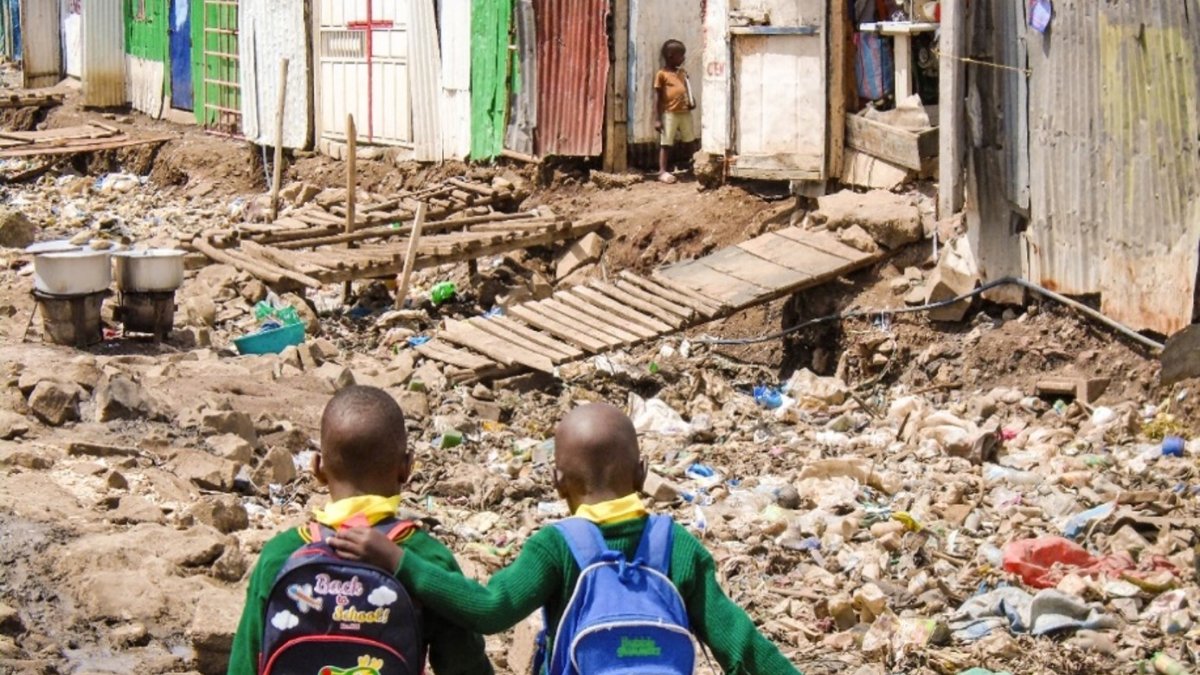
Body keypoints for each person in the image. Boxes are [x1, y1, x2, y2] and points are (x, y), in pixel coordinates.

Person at [331, 403, 800, 674]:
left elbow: (489, 610)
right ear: (642, 474)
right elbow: (741, 648)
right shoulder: (676, 546)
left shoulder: (557, 547)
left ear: (557, 483)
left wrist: (400, 561)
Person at [228, 385, 493, 675]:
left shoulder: (280, 555)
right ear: (406, 468)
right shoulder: (425, 559)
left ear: (317, 468)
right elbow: (465, 666)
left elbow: (244, 665)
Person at [654, 39, 697, 184]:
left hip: (685, 112)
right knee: (666, 143)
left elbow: (687, 89)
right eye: (681, 55)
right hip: (669, 113)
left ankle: (694, 167)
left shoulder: (682, 73)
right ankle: (662, 171)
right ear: (671, 56)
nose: (683, 58)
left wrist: (692, 100)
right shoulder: (662, 74)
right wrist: (658, 119)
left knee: (690, 141)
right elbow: (658, 98)